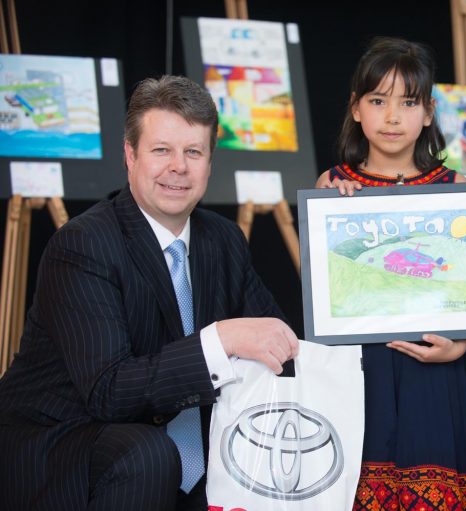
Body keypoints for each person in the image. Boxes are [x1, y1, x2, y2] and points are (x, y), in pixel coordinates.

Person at [0, 75, 299, 510]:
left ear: (209, 163)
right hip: (66, 445)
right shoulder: (83, 244)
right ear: (130, 155)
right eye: (161, 150)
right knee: (149, 455)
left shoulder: (224, 240)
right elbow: (108, 391)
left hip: (169, 449)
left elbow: (279, 346)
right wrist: (221, 340)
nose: (178, 166)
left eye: (193, 152)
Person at [316, 37, 466, 510]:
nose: (392, 117)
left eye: (408, 103)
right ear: (356, 108)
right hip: (361, 371)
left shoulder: (456, 188)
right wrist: (330, 213)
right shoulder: (332, 186)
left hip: (433, 368)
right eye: (378, 101)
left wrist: (460, 346)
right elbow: (326, 290)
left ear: (429, 113)